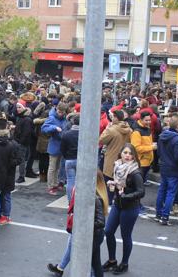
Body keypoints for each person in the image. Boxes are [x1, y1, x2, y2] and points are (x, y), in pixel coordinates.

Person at [47, 170, 109, 277]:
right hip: (92, 234)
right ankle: (60, 268)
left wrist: (82, 226)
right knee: (94, 263)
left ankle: (60, 268)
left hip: (92, 235)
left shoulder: (95, 198)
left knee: (88, 262)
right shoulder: (90, 195)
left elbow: (100, 222)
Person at [102, 144, 145, 275]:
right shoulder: (118, 167)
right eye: (125, 152)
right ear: (120, 153)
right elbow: (121, 186)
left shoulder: (135, 172)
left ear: (133, 156)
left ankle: (124, 263)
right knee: (108, 231)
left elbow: (141, 192)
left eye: (130, 153)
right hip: (118, 204)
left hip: (130, 207)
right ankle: (112, 260)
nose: (127, 155)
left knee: (126, 236)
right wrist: (113, 184)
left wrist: (126, 196)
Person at [154, 116, 178, 226]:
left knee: (162, 190)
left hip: (164, 166)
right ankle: (165, 217)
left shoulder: (162, 136)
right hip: (173, 168)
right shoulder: (177, 139)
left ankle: (158, 214)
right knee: (171, 192)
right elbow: (177, 156)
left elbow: (159, 152)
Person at [99, 109, 133, 195]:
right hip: (124, 158)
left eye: (113, 117)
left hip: (111, 158)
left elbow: (101, 140)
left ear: (116, 118)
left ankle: (109, 203)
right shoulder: (129, 129)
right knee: (120, 182)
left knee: (109, 182)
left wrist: (107, 128)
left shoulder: (111, 130)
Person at [130, 111, 155, 218]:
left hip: (146, 162)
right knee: (138, 187)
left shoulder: (147, 129)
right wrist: (151, 147)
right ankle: (136, 206)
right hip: (141, 162)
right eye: (147, 120)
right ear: (141, 119)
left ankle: (138, 205)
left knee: (140, 186)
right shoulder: (137, 132)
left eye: (150, 120)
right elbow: (135, 148)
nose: (149, 122)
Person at [42, 103, 69, 195]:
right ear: (56, 109)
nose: (60, 113)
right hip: (54, 145)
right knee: (52, 167)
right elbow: (44, 128)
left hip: (62, 145)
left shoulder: (65, 118)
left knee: (58, 167)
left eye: (62, 112)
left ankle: (55, 183)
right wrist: (54, 127)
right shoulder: (52, 118)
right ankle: (51, 186)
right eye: (59, 111)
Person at [14, 102, 35, 182]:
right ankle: (22, 175)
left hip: (22, 143)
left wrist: (20, 142)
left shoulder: (26, 119)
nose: (18, 109)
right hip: (20, 141)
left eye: (19, 107)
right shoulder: (22, 117)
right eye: (17, 107)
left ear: (24, 108)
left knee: (21, 160)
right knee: (22, 159)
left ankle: (21, 176)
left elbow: (26, 133)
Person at [60, 115, 80, 201]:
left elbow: (62, 149)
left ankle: (70, 201)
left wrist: (66, 157)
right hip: (80, 160)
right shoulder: (84, 134)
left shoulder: (66, 134)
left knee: (70, 181)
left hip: (69, 159)